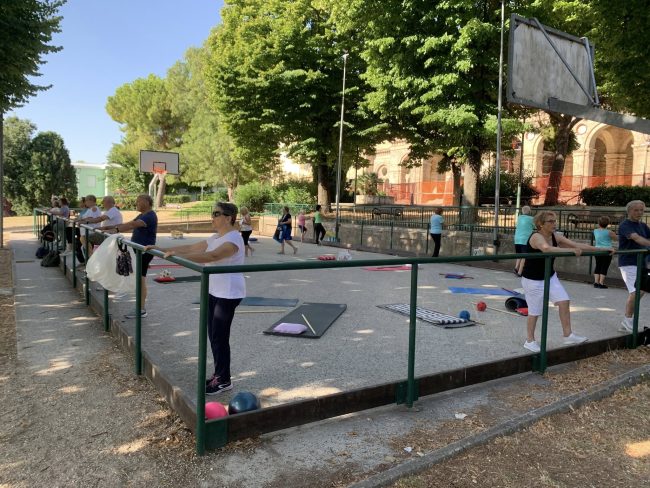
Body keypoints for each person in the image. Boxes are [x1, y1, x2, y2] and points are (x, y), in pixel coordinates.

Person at [145, 202, 245, 396]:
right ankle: (219, 374)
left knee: (219, 337)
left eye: (216, 214)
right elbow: (192, 246)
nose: (212, 217)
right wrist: (163, 249)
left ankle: (224, 380)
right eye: (212, 213)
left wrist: (180, 257)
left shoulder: (234, 239)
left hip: (229, 292)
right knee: (213, 335)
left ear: (228, 217)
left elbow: (213, 255)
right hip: (215, 290)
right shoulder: (216, 237)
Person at [520, 210, 613, 353]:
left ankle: (568, 335)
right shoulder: (536, 237)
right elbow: (546, 249)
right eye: (550, 221)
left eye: (555, 221)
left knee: (564, 301)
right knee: (535, 311)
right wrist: (570, 251)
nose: (554, 224)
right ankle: (529, 341)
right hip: (533, 279)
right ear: (540, 224)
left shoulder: (555, 236)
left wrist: (602, 249)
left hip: (550, 276)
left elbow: (576, 245)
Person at [108, 194, 157, 319]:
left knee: (141, 279)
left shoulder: (150, 216)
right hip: (138, 251)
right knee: (136, 276)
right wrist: (107, 228)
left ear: (147, 202)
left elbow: (132, 225)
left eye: (139, 201)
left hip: (144, 252)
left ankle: (141, 309)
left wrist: (115, 230)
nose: (136, 203)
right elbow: (129, 223)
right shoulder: (142, 215)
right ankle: (136, 303)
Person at [617, 200, 650, 332]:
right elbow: (637, 239)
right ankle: (627, 321)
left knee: (640, 291)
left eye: (641, 210)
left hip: (641, 263)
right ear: (629, 211)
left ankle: (627, 321)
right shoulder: (625, 225)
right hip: (628, 263)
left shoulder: (643, 226)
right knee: (636, 291)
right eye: (636, 210)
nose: (639, 213)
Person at [593, 216, 617, 289]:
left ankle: (596, 282)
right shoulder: (609, 232)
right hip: (607, 250)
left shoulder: (595, 231)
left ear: (599, 223)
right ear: (608, 224)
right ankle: (601, 283)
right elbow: (616, 238)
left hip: (597, 250)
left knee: (598, 265)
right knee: (604, 266)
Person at [513, 205, 535, 276]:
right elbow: (535, 226)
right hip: (525, 240)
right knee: (524, 256)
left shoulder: (519, 218)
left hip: (517, 239)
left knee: (519, 254)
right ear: (529, 211)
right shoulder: (531, 219)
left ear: (522, 211)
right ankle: (520, 272)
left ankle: (516, 267)